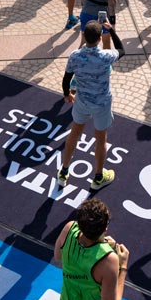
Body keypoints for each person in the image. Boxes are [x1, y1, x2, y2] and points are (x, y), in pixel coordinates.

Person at [57, 19, 120, 190]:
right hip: (102, 104)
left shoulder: (75, 56)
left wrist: (66, 94)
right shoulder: (106, 57)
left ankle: (63, 172)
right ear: (100, 38)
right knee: (101, 140)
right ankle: (98, 178)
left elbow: (66, 78)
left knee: (74, 134)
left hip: (81, 102)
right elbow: (121, 50)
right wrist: (112, 31)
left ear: (83, 36)